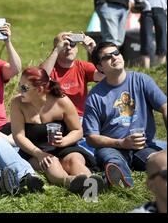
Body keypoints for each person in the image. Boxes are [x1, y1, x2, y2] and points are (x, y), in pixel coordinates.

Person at [83, 42, 167, 187]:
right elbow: (91, 138)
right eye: (108, 57)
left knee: (157, 159)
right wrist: (121, 143)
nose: (115, 57)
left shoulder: (141, 80)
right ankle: (120, 179)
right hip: (112, 146)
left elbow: (165, 107)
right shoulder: (95, 96)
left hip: (143, 145)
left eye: (116, 53)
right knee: (111, 159)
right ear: (100, 67)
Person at [10, 67, 103, 195]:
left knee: (74, 159)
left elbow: (78, 130)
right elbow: (18, 136)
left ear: (39, 89)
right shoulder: (17, 103)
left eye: (24, 88)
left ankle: (91, 184)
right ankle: (71, 182)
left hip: (63, 147)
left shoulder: (61, 101)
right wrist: (39, 154)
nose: (20, 91)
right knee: (51, 163)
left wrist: (64, 141)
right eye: (20, 86)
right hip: (34, 151)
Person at [40, 32, 104, 118]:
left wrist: (94, 51)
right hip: (57, 118)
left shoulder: (82, 67)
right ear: (56, 49)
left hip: (80, 118)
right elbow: (39, 78)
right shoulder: (50, 68)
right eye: (64, 45)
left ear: (77, 49)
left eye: (72, 44)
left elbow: (108, 76)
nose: (69, 47)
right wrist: (56, 51)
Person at [129, 0, 167, 68]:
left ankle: (161, 66)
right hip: (146, 11)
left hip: (160, 10)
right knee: (146, 38)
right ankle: (146, 67)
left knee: (162, 36)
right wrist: (131, 2)